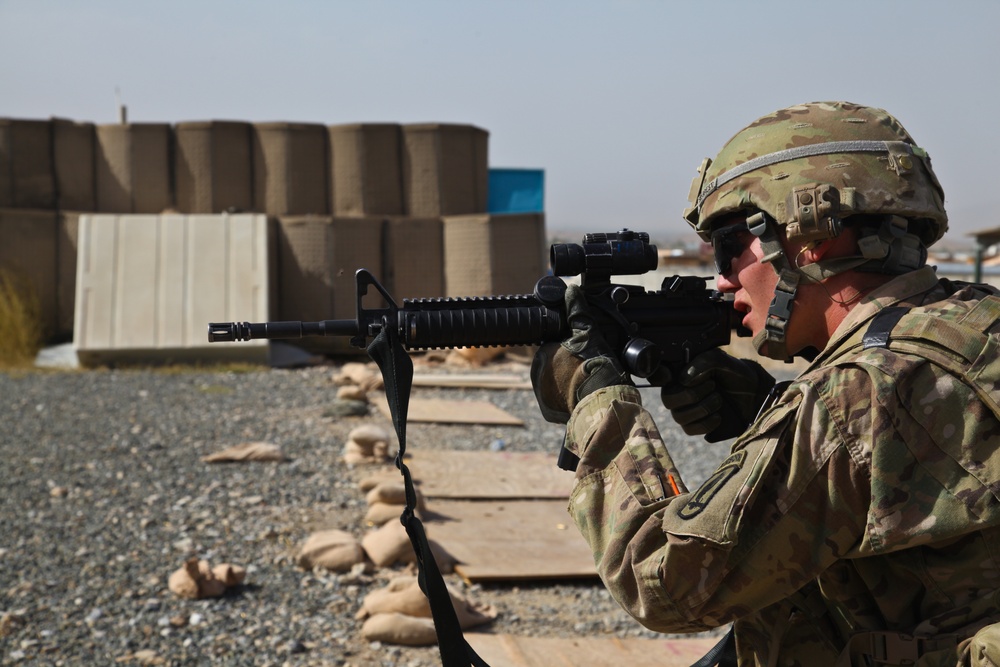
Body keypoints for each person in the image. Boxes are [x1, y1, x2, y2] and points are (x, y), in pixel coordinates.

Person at [531, 101, 1000, 666]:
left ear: (810, 238)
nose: (723, 278)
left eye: (728, 246)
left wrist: (598, 404)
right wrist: (768, 409)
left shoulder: (858, 394)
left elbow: (666, 581)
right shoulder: (974, 322)